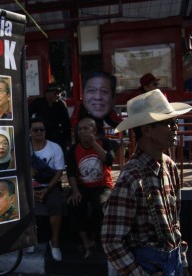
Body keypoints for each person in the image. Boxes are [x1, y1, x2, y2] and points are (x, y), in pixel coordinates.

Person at [101, 89, 190, 276]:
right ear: (147, 130)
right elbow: (111, 241)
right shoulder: (131, 178)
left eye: (174, 122)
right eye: (168, 123)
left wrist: (182, 260)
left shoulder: (170, 167)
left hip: (173, 263)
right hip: (149, 266)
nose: (175, 127)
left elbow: (175, 224)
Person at [66, 117, 118, 259]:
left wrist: (93, 143)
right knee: (73, 204)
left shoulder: (105, 143)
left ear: (94, 131)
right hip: (83, 185)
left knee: (100, 205)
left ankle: (96, 238)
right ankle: (86, 241)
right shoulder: (74, 149)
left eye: (86, 128)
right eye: (80, 129)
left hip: (103, 185)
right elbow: (70, 172)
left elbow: (109, 160)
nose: (82, 132)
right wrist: (75, 191)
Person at [29, 117, 65, 261]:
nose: (39, 132)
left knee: (57, 204)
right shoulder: (24, 147)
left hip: (49, 186)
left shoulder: (54, 147)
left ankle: (54, 242)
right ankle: (29, 238)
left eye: (42, 129)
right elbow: (20, 171)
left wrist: (47, 189)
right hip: (29, 187)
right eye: (35, 130)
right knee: (21, 203)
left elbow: (59, 171)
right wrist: (31, 191)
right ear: (30, 132)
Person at [70, 71, 123, 136]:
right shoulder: (80, 107)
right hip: (83, 139)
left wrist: (129, 124)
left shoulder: (105, 107)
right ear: (83, 94)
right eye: (91, 91)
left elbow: (114, 120)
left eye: (104, 91)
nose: (97, 97)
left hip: (98, 137)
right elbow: (74, 122)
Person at [28, 84, 71, 153]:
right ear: (47, 94)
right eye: (55, 93)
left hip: (56, 135)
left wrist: (68, 140)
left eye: (59, 93)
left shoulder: (61, 105)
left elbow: (66, 123)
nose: (58, 95)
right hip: (41, 133)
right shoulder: (38, 103)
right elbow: (27, 115)